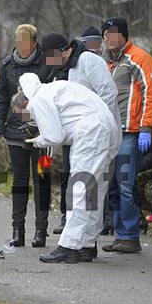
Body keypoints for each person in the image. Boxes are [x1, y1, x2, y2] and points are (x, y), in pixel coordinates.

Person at [12, 74, 120, 263]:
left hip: (91, 132)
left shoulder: (37, 100)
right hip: (106, 127)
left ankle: (68, 246)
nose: (24, 118)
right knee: (94, 191)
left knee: (79, 190)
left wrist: (35, 141)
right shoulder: (51, 90)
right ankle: (86, 244)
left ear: (25, 103)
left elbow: (54, 137)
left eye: (21, 113)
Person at [41, 33, 120, 239]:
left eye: (50, 57)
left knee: (85, 189)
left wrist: (101, 130)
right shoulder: (64, 69)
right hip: (82, 136)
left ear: (63, 50)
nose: (49, 63)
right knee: (87, 190)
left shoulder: (88, 61)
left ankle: (75, 243)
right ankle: (87, 242)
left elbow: (108, 94)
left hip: (96, 134)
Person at [101, 17, 152, 253]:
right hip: (113, 133)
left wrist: (146, 128)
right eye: (106, 34)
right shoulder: (107, 63)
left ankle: (130, 236)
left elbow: (151, 95)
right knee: (113, 185)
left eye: (114, 33)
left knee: (126, 184)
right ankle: (120, 233)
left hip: (132, 132)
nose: (109, 38)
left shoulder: (140, 58)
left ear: (124, 35)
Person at [0, 24, 51, 248]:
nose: (22, 45)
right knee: (19, 180)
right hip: (15, 132)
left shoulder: (47, 63)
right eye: (18, 41)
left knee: (41, 178)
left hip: (41, 131)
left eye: (26, 41)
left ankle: (41, 231)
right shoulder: (7, 65)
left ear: (34, 43)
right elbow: (1, 96)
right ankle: (18, 230)